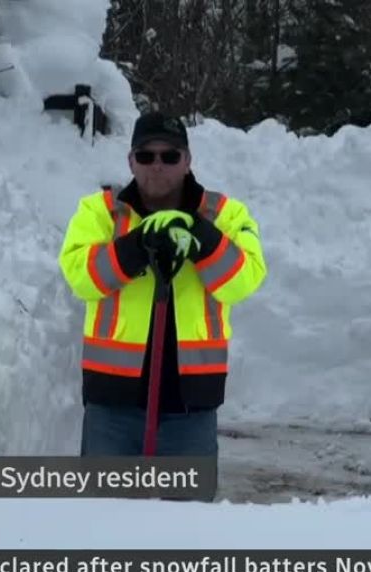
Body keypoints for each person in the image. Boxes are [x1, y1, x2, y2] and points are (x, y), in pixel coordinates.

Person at [57, 111, 266, 499]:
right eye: (146, 156)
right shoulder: (100, 212)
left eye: (170, 156)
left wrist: (201, 237)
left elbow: (242, 282)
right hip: (112, 406)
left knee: (186, 532)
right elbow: (81, 277)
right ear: (130, 161)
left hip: (190, 408)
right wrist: (137, 246)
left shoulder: (224, 215)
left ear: (187, 161)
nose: (158, 167)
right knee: (101, 525)